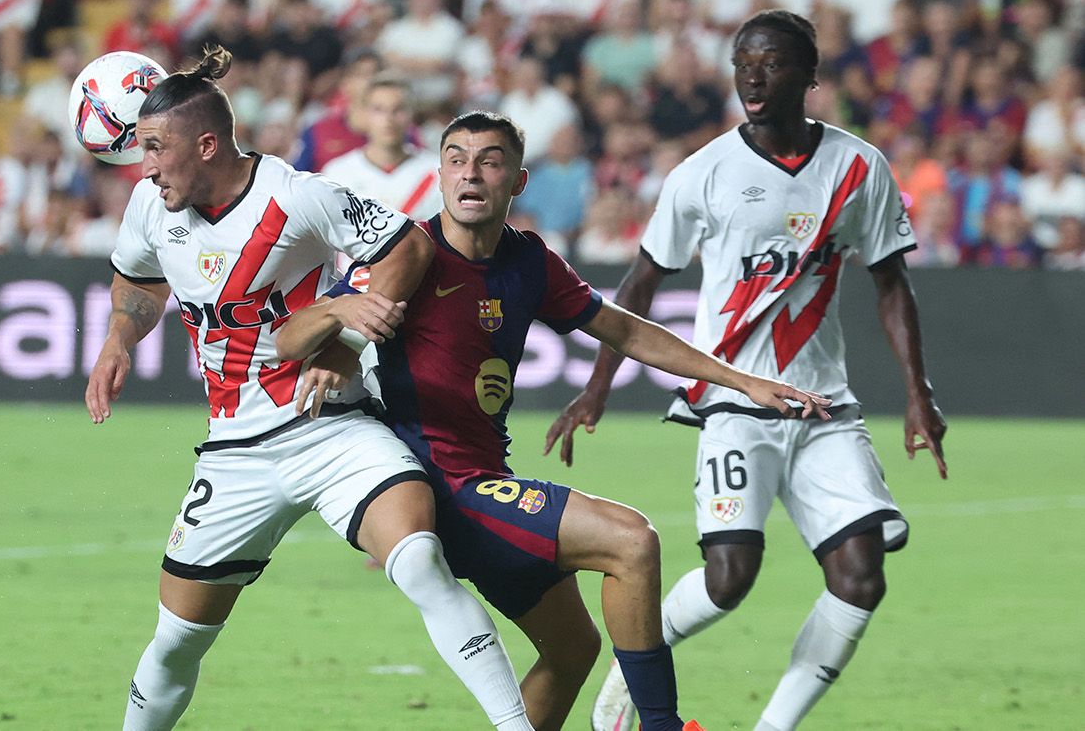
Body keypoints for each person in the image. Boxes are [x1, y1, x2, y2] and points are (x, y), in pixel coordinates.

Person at [276, 110, 833, 731]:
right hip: (439, 485)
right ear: (439, 175)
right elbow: (287, 341)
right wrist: (335, 317)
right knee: (633, 542)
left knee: (572, 650)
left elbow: (621, 328)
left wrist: (743, 380)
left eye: (489, 161)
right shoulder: (411, 255)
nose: (471, 173)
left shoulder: (529, 260)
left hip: (485, 473)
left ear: (518, 180)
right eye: (456, 158)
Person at [85, 47, 534, 731]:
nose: (143, 165)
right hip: (234, 451)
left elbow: (407, 249)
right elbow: (137, 278)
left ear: (206, 144)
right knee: (178, 638)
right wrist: (120, 337)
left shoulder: (298, 196)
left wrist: (347, 340)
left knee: (419, 560)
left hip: (329, 427)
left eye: (154, 147)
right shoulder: (153, 206)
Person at [546, 11, 948, 731]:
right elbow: (639, 285)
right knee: (730, 580)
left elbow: (892, 283)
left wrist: (918, 396)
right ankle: (630, 665)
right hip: (733, 403)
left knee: (860, 578)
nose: (754, 76)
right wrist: (595, 388)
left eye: (771, 62)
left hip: (825, 408)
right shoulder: (702, 174)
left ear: (810, 76)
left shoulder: (861, 168)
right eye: (743, 63)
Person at [320, 74, 442, 224]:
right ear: (364, 114)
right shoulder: (337, 174)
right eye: (379, 109)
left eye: (398, 109)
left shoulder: (437, 172)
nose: (389, 119)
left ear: (412, 114)